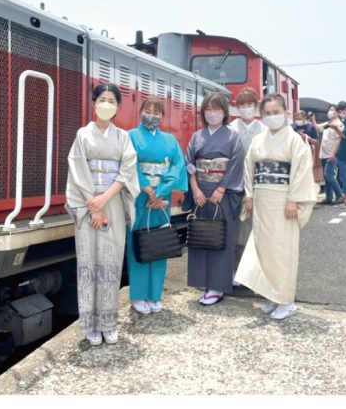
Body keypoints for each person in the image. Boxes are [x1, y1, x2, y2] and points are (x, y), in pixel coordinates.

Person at [65, 83, 140, 346]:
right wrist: (92, 205)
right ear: (94, 103)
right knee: (88, 262)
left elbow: (128, 170)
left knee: (110, 262)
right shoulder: (82, 135)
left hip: (113, 201)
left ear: (118, 107)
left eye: (112, 101)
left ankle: (108, 323)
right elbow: (77, 169)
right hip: (87, 203)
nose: (106, 104)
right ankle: (90, 325)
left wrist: (104, 200)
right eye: (102, 99)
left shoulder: (123, 138)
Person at [235, 94, 318, 320]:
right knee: (264, 249)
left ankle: (287, 300)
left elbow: (301, 171)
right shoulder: (258, 140)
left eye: (276, 112)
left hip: (283, 201)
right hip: (262, 200)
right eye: (267, 113)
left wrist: (295, 200)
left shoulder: (294, 140)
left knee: (282, 250)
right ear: (262, 116)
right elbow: (249, 168)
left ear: (285, 113)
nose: (272, 117)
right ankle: (272, 295)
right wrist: (250, 196)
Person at [126, 97, 188, 315]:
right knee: (139, 243)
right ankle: (138, 295)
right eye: (148, 110)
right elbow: (129, 164)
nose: (152, 115)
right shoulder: (130, 137)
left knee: (158, 244)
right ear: (140, 112)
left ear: (163, 116)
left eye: (157, 112)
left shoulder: (170, 140)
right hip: (139, 197)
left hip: (162, 199)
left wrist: (160, 192)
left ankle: (155, 295)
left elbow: (177, 166)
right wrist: (146, 188)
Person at [184, 92, 245, 306]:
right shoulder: (196, 136)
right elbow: (190, 163)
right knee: (202, 236)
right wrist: (195, 189)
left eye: (217, 109)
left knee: (220, 237)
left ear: (224, 112)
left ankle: (218, 286)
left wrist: (222, 188)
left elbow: (236, 163)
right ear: (203, 113)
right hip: (201, 192)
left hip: (223, 194)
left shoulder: (233, 136)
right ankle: (203, 281)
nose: (212, 114)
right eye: (208, 110)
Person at [228, 87, 266, 279]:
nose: (246, 108)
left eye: (249, 104)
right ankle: (236, 270)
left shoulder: (264, 130)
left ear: (256, 106)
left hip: (259, 186)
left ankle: (254, 273)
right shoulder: (231, 128)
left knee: (255, 229)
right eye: (242, 105)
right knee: (236, 229)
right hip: (235, 186)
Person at [317, 104, 344, 205]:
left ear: (337, 113)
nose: (330, 112)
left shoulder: (339, 124)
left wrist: (334, 153)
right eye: (329, 110)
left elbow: (339, 139)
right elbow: (318, 128)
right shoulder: (328, 123)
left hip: (332, 154)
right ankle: (328, 197)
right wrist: (313, 119)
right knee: (326, 176)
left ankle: (340, 195)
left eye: (332, 110)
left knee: (329, 175)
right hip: (324, 154)